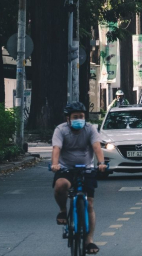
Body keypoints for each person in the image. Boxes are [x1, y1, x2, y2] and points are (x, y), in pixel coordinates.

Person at [51, 102, 107, 254]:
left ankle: (89, 241)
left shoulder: (90, 129)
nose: (79, 119)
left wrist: (101, 163)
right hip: (65, 168)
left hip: (86, 168)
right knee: (61, 185)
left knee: (89, 203)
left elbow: (97, 147)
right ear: (68, 118)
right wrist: (55, 164)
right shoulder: (60, 130)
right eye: (75, 117)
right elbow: (57, 148)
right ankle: (63, 210)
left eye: (81, 116)